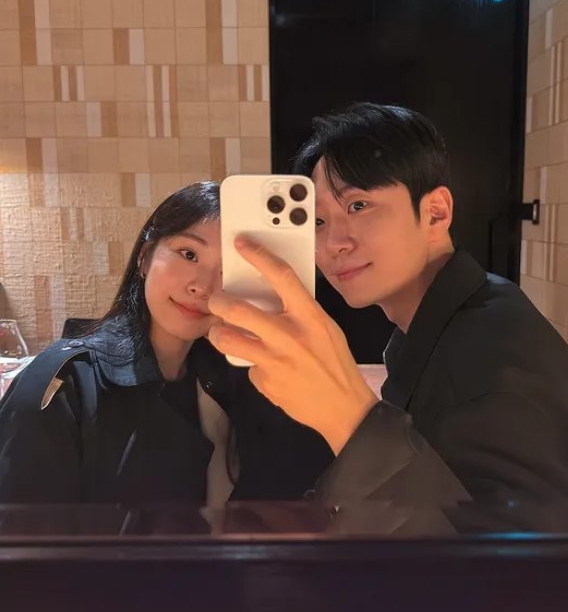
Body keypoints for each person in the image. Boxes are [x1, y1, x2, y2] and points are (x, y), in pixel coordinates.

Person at [207, 103, 568, 531]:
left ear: (435, 212)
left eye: (358, 205)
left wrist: (347, 417)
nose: (333, 243)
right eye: (317, 220)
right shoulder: (442, 323)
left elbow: (526, 566)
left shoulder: (490, 353)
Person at [0, 182, 333, 505]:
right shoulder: (64, 384)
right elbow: (25, 533)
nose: (202, 286)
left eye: (228, 269)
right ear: (145, 258)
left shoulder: (242, 381)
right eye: (189, 254)